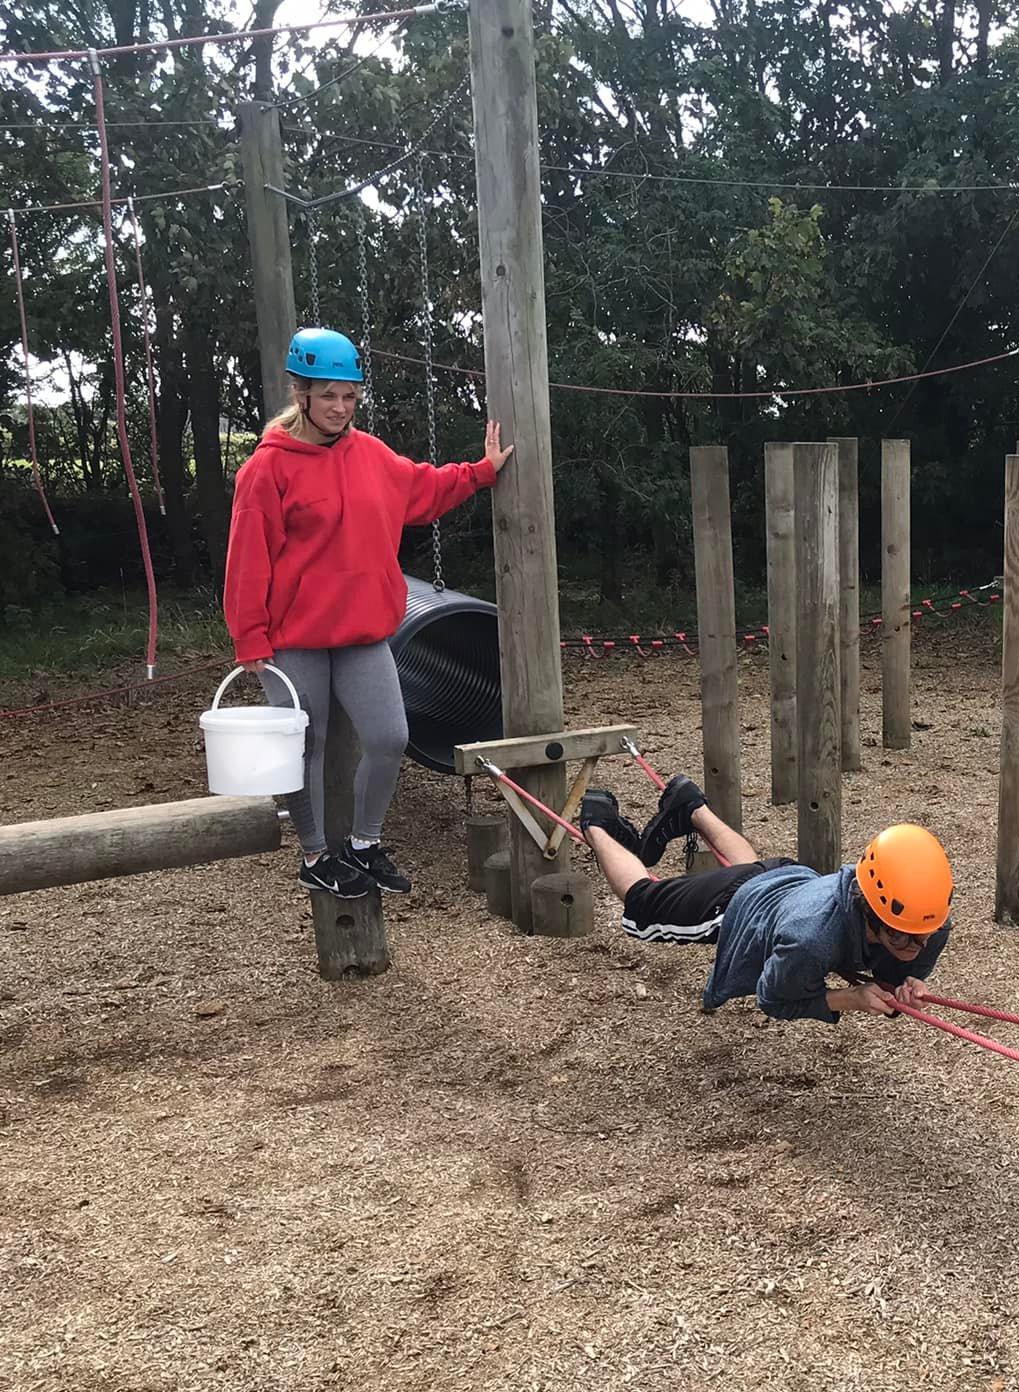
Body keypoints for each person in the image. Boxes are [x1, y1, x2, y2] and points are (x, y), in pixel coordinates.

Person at [224, 326, 514, 900]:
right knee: (304, 745)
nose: (340, 407)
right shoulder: (267, 469)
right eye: (328, 395)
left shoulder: (370, 454)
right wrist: (249, 637)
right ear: (301, 394)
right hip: (294, 637)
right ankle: (314, 855)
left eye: (350, 396)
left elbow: (423, 489)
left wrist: (479, 472)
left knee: (389, 736)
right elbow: (247, 559)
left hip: (362, 632)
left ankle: (364, 843)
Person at [576, 773, 952, 1020]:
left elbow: (896, 971)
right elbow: (773, 999)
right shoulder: (811, 940)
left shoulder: (928, 921)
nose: (915, 947)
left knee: (751, 871)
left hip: (787, 882)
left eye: (923, 937)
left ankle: (690, 806)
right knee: (642, 905)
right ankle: (597, 823)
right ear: (869, 910)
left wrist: (906, 984)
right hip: (736, 905)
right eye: (900, 938)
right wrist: (850, 998)